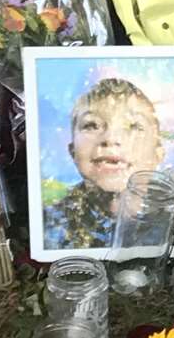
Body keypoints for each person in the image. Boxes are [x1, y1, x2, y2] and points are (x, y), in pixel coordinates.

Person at [44, 78, 165, 249]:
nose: (110, 138)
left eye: (133, 126)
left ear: (158, 154)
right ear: (73, 151)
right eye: (92, 125)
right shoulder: (51, 223)